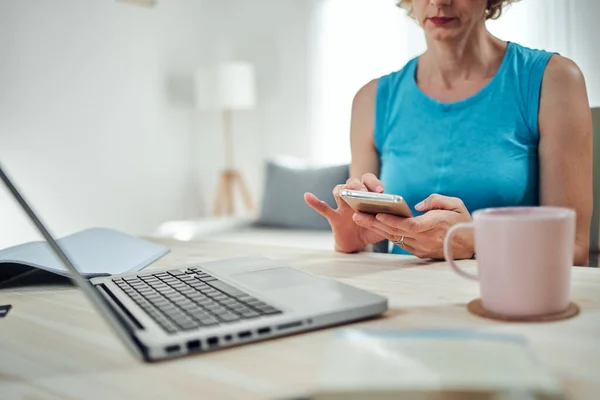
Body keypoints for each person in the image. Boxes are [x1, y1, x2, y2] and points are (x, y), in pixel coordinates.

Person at [305, 0, 593, 266]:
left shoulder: (554, 80)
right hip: (404, 306)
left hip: (507, 304)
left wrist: (475, 242)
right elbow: (372, 246)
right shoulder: (371, 100)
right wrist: (354, 243)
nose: (439, 2)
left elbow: (574, 249)